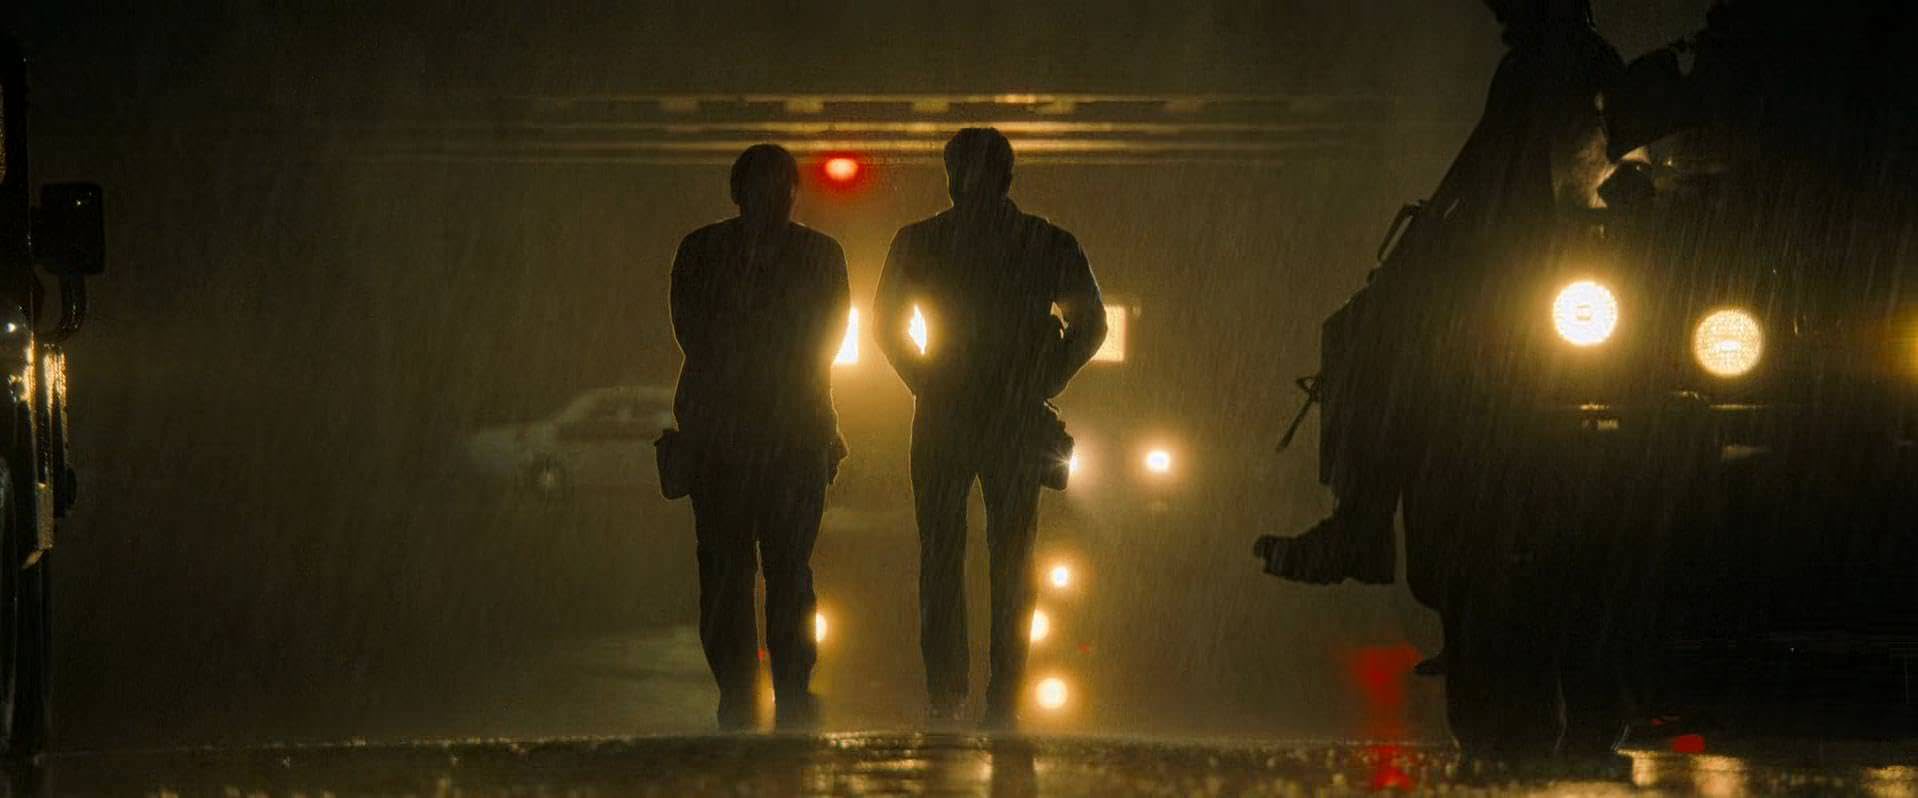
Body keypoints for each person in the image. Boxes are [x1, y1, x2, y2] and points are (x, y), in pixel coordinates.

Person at [1258, 0, 1622, 597]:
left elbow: (1486, 171)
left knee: (1370, 336)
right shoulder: (1578, 62)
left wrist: (1428, 242)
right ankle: (1362, 525)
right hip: (1526, 262)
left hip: (1514, 267)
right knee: (1372, 328)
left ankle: (1361, 524)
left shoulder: (1547, 66)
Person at [873, 128, 1107, 729]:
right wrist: (1043, 379)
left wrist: (927, 379)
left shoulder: (922, 240)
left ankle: (947, 693)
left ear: (952, 176)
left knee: (943, 556)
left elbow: (886, 324)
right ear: (1010, 177)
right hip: (1012, 415)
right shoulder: (1045, 241)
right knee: (1013, 557)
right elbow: (1091, 324)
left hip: (947, 412)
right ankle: (1003, 696)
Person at [670, 143, 850, 730]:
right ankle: (786, 690)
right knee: (784, 569)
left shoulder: (702, 251)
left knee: (732, 569)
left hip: (730, 432)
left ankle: (742, 693)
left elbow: (694, 335)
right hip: (790, 431)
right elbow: (823, 339)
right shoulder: (820, 256)